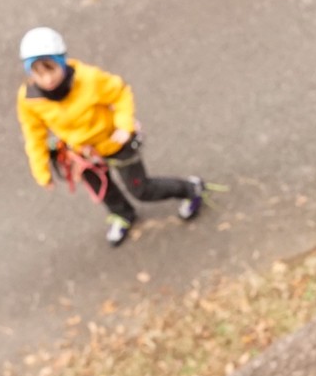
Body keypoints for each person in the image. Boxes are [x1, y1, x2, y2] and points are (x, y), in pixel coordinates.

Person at [15, 26, 204, 248]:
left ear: (62, 61)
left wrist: (124, 126)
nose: (47, 79)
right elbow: (34, 135)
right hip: (82, 153)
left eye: (51, 69)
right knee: (103, 190)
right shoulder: (29, 100)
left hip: (115, 142)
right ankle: (123, 214)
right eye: (38, 73)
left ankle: (190, 189)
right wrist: (41, 171)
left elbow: (121, 92)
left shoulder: (89, 79)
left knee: (141, 189)